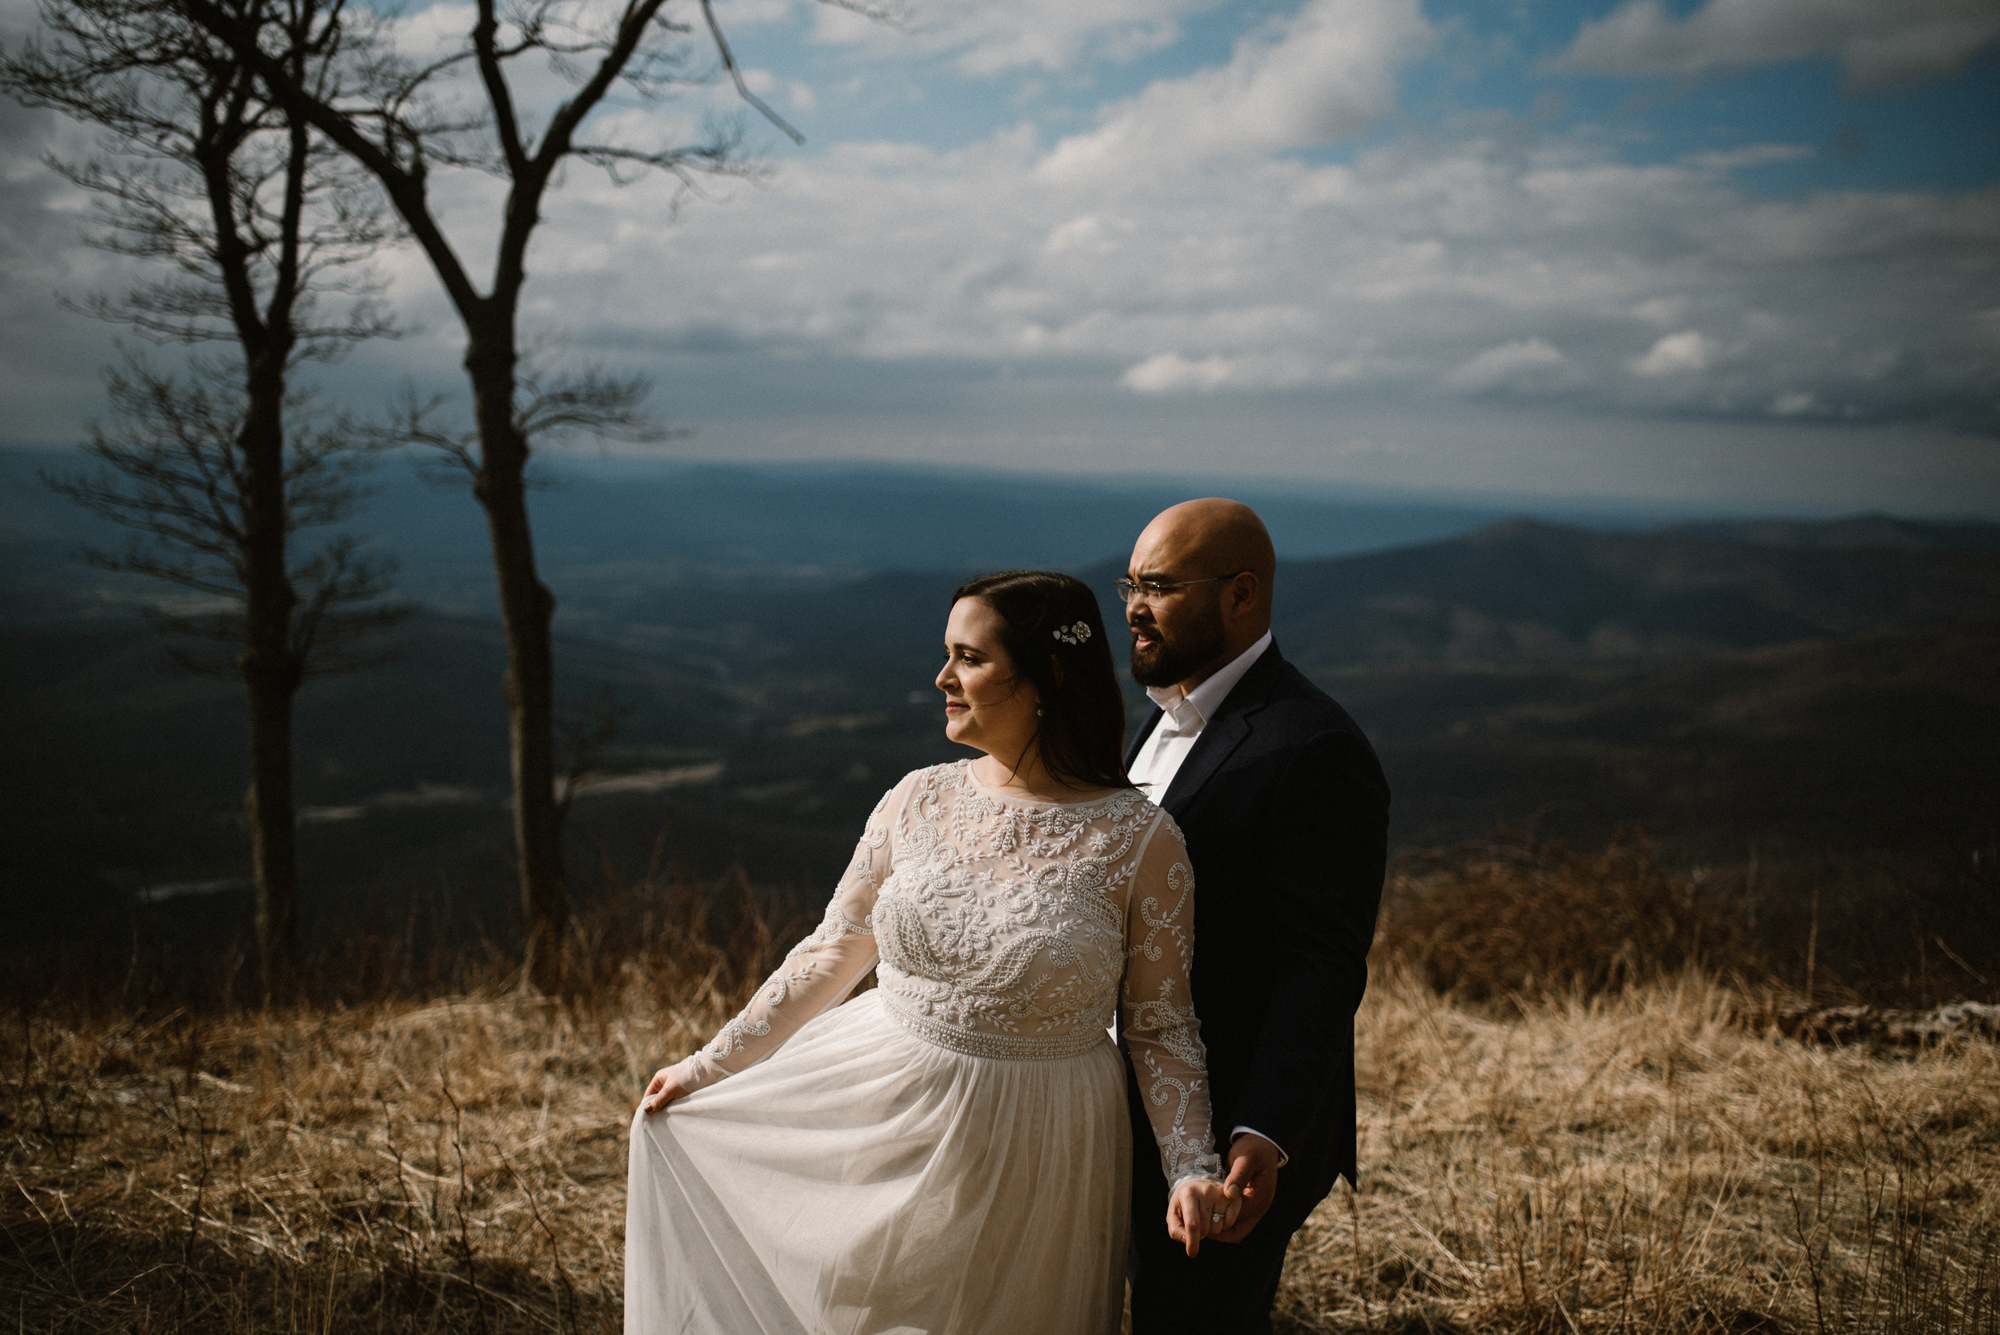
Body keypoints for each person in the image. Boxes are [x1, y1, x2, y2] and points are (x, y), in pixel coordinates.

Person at [626, 570, 1239, 1335]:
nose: (942, 677)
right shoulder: (917, 796)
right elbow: (833, 950)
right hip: (879, 1101)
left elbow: (1159, 1026)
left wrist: (1191, 1166)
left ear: (1045, 677)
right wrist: (707, 1066)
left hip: (1039, 1139)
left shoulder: (1142, 842)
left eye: (969, 658)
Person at [1118, 500, 1390, 1334]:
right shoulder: (1154, 724)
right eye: (1129, 583)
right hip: (1130, 1106)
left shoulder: (1314, 747)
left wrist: (1262, 1133)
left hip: (1232, 1129)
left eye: (1159, 586)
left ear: (1242, 595)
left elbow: (1324, 964)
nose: (1132, 605)